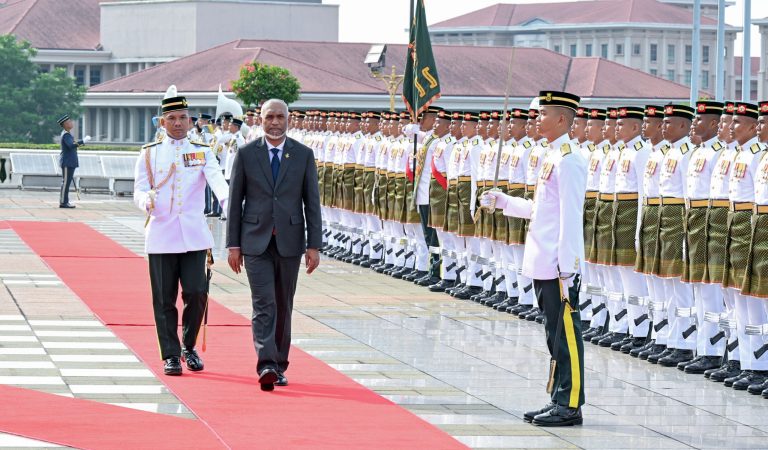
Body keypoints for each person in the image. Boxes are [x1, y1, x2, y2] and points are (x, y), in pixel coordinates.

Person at [482, 90, 587, 426]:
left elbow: (570, 218)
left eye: (543, 114)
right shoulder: (551, 156)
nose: (536, 120)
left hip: (559, 265)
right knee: (553, 334)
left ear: (561, 119)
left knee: (566, 334)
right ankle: (559, 396)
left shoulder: (569, 159)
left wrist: (567, 268)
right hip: (544, 260)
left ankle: (569, 404)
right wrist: (503, 202)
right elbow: (542, 212)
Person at [226, 98, 322, 391]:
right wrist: (232, 245)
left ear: (288, 120)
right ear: (261, 120)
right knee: (264, 303)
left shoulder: (303, 155)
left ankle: (280, 364)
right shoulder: (246, 154)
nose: (275, 122)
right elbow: (235, 202)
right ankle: (266, 363)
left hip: (290, 242)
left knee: (283, 304)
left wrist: (314, 245)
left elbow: (311, 203)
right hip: (255, 241)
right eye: (270, 117)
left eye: (280, 116)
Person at [133, 85, 229, 376]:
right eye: (172, 118)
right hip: (162, 235)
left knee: (197, 292)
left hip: (194, 236)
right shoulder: (149, 154)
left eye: (183, 117)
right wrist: (145, 200)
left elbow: (218, 183)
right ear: (163, 122)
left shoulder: (201, 152)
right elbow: (138, 189)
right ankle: (171, 355)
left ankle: (188, 345)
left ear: (190, 121)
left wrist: (232, 208)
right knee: (164, 299)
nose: (178, 123)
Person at [57, 114, 86, 208]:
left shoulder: (67, 134)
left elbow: (72, 144)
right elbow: (71, 145)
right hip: (67, 162)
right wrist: (82, 141)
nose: (71, 123)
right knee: (65, 183)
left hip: (70, 162)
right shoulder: (66, 134)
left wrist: (81, 142)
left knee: (67, 182)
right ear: (65, 124)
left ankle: (65, 201)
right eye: (69, 122)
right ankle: (63, 202)